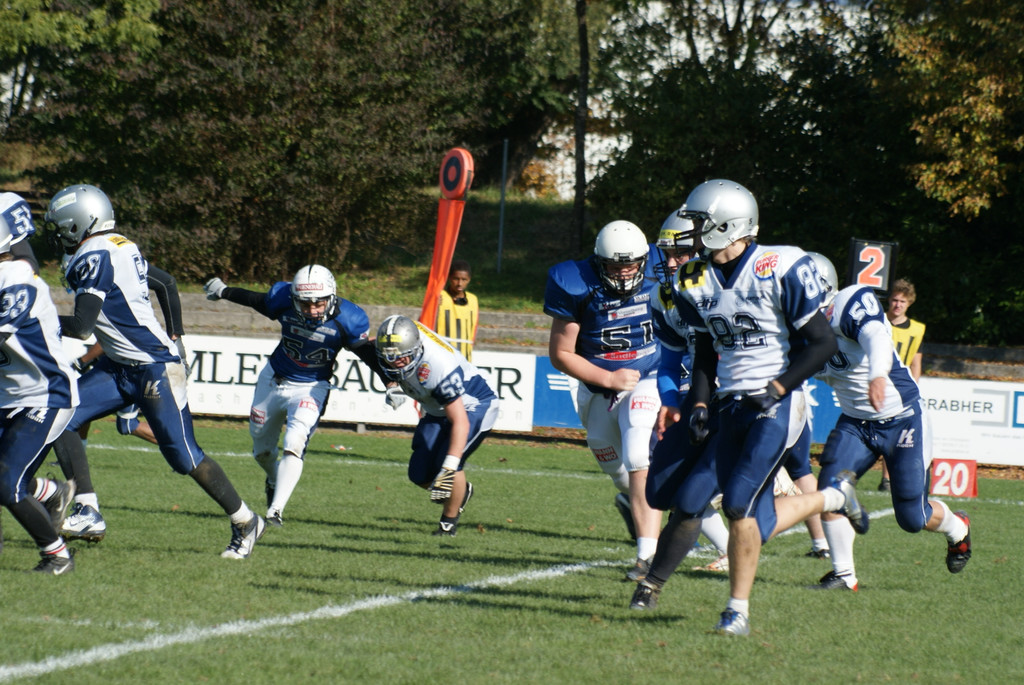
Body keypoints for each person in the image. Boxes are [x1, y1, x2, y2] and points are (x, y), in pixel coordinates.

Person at [671, 179, 868, 635]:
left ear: (727, 223)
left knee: (738, 505)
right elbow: (703, 351)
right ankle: (834, 497)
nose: (695, 233)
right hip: (730, 402)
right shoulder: (694, 278)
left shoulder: (778, 265)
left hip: (778, 402)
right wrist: (699, 402)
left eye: (701, 223)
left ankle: (736, 611)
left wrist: (777, 388)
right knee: (755, 518)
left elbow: (819, 344)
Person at [44, 184, 266, 559]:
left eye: (62, 227)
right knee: (59, 412)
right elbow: (165, 282)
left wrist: (32, 321)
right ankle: (87, 508)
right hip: (119, 365)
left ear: (80, 224)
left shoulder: (96, 254)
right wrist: (176, 331)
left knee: (184, 457)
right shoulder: (118, 245)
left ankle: (246, 520)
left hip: (153, 369)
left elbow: (82, 325)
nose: (58, 235)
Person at [805, 253, 971, 591]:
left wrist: (878, 375)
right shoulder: (793, 326)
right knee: (830, 491)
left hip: (902, 417)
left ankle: (959, 529)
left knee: (913, 518)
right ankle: (843, 574)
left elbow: (877, 337)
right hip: (856, 421)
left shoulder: (847, 303)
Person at [203, 265, 400, 526]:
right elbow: (256, 300)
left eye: (319, 303)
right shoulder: (281, 299)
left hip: (312, 386)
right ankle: (273, 478)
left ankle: (275, 511)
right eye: (305, 304)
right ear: (294, 299)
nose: (313, 310)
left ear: (331, 297)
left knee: (294, 443)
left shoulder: (350, 319)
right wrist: (224, 291)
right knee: (261, 451)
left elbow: (364, 352)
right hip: (273, 379)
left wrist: (389, 382)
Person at [544, 220, 665, 581]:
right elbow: (561, 353)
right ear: (599, 262)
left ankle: (648, 556)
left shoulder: (662, 268)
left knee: (639, 453)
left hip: (648, 376)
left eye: (631, 264)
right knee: (621, 472)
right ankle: (640, 505)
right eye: (615, 265)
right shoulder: (576, 282)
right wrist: (608, 378)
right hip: (598, 386)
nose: (625, 273)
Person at [53, 254, 188, 541]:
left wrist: (83, 360)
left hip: (139, 367)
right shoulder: (117, 279)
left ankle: (179, 449)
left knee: (130, 427)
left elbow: (113, 334)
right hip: (128, 366)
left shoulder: (108, 280)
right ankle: (82, 498)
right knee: (69, 408)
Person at [0, 215, 80, 573]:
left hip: (45, 393)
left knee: (6, 481)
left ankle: (57, 555)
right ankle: (51, 493)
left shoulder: (16, 278)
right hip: (10, 392)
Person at [374, 315, 499, 536]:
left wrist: (450, 467)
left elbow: (460, 420)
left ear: (416, 348)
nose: (395, 363)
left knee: (448, 461)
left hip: (472, 405)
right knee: (419, 474)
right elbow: (384, 351)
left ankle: (448, 524)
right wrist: (391, 384)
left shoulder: (437, 366)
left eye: (402, 358)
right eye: (390, 358)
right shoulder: (395, 344)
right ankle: (460, 493)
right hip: (435, 408)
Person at [877, 278, 926, 491]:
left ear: (909, 303)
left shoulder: (916, 330)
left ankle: (887, 478)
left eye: (902, 302)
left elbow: (916, 363)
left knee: (896, 435)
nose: (897, 305)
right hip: (876, 382)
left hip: (899, 388)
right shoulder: (878, 321)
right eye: (895, 300)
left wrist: (911, 390)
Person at [435, 259, 478, 361]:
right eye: (456, 279)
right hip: (444, 355)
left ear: (469, 280)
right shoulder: (440, 296)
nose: (459, 283)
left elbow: (473, 329)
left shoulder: (473, 300)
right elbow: (426, 321)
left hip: (465, 357)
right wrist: (434, 306)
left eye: (464, 279)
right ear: (449, 278)